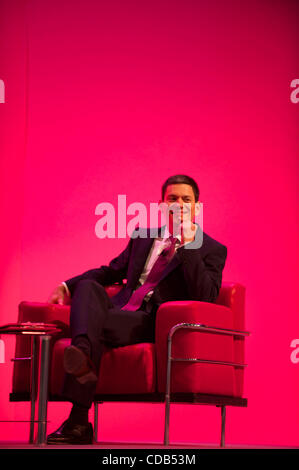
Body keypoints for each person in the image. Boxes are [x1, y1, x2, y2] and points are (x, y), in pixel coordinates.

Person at [46, 174, 227, 444]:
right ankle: (82, 357)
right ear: (161, 205)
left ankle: (78, 416)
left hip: (150, 320)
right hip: (118, 312)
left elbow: (206, 295)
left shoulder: (211, 248)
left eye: (186, 200)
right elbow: (110, 272)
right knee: (87, 287)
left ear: (197, 207)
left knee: (89, 327)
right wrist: (66, 286)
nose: (179, 205)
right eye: (172, 199)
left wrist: (188, 246)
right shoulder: (143, 237)